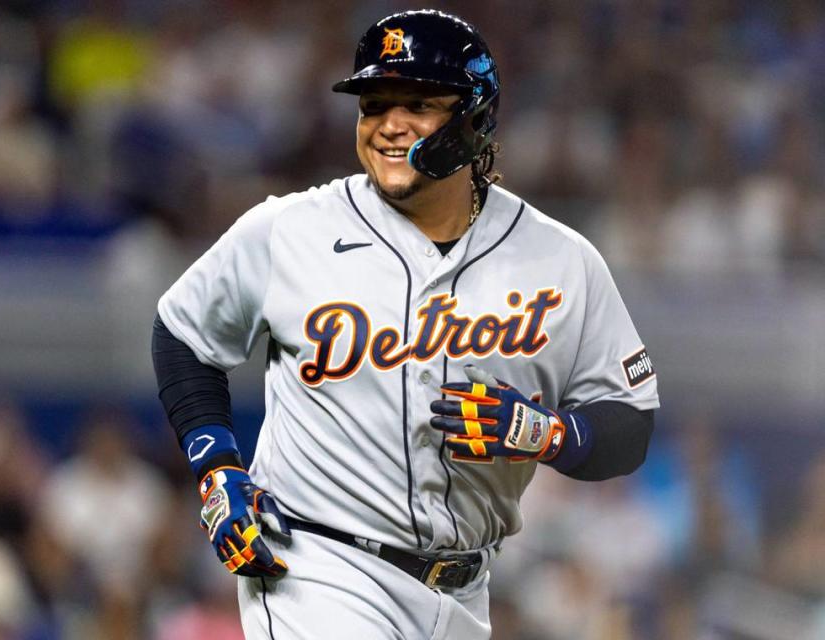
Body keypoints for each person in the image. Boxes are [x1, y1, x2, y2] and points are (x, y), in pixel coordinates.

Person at [152, 9, 658, 639]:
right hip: (316, 568)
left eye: (416, 104)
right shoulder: (290, 230)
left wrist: (545, 432)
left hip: (467, 591)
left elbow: (630, 423)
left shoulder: (562, 260)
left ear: (475, 117)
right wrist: (218, 469)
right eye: (373, 104)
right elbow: (183, 333)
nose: (389, 125)